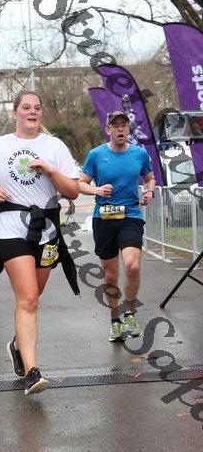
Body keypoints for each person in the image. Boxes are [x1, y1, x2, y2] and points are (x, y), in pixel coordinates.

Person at [0, 90, 79, 395]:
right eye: (26, 107)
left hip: (45, 228)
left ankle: (18, 345)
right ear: (15, 112)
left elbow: (72, 191)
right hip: (10, 225)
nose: (32, 112)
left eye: (37, 108)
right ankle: (33, 371)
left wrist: (51, 171)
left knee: (34, 295)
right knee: (28, 298)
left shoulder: (54, 146)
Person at [78, 110, 155, 342]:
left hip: (131, 215)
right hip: (104, 218)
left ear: (128, 129)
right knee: (110, 275)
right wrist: (97, 190)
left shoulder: (139, 154)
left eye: (124, 125)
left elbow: (149, 178)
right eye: (116, 125)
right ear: (108, 130)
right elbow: (81, 184)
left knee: (132, 265)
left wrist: (149, 192)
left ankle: (130, 313)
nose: (120, 128)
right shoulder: (96, 155)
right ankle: (115, 320)